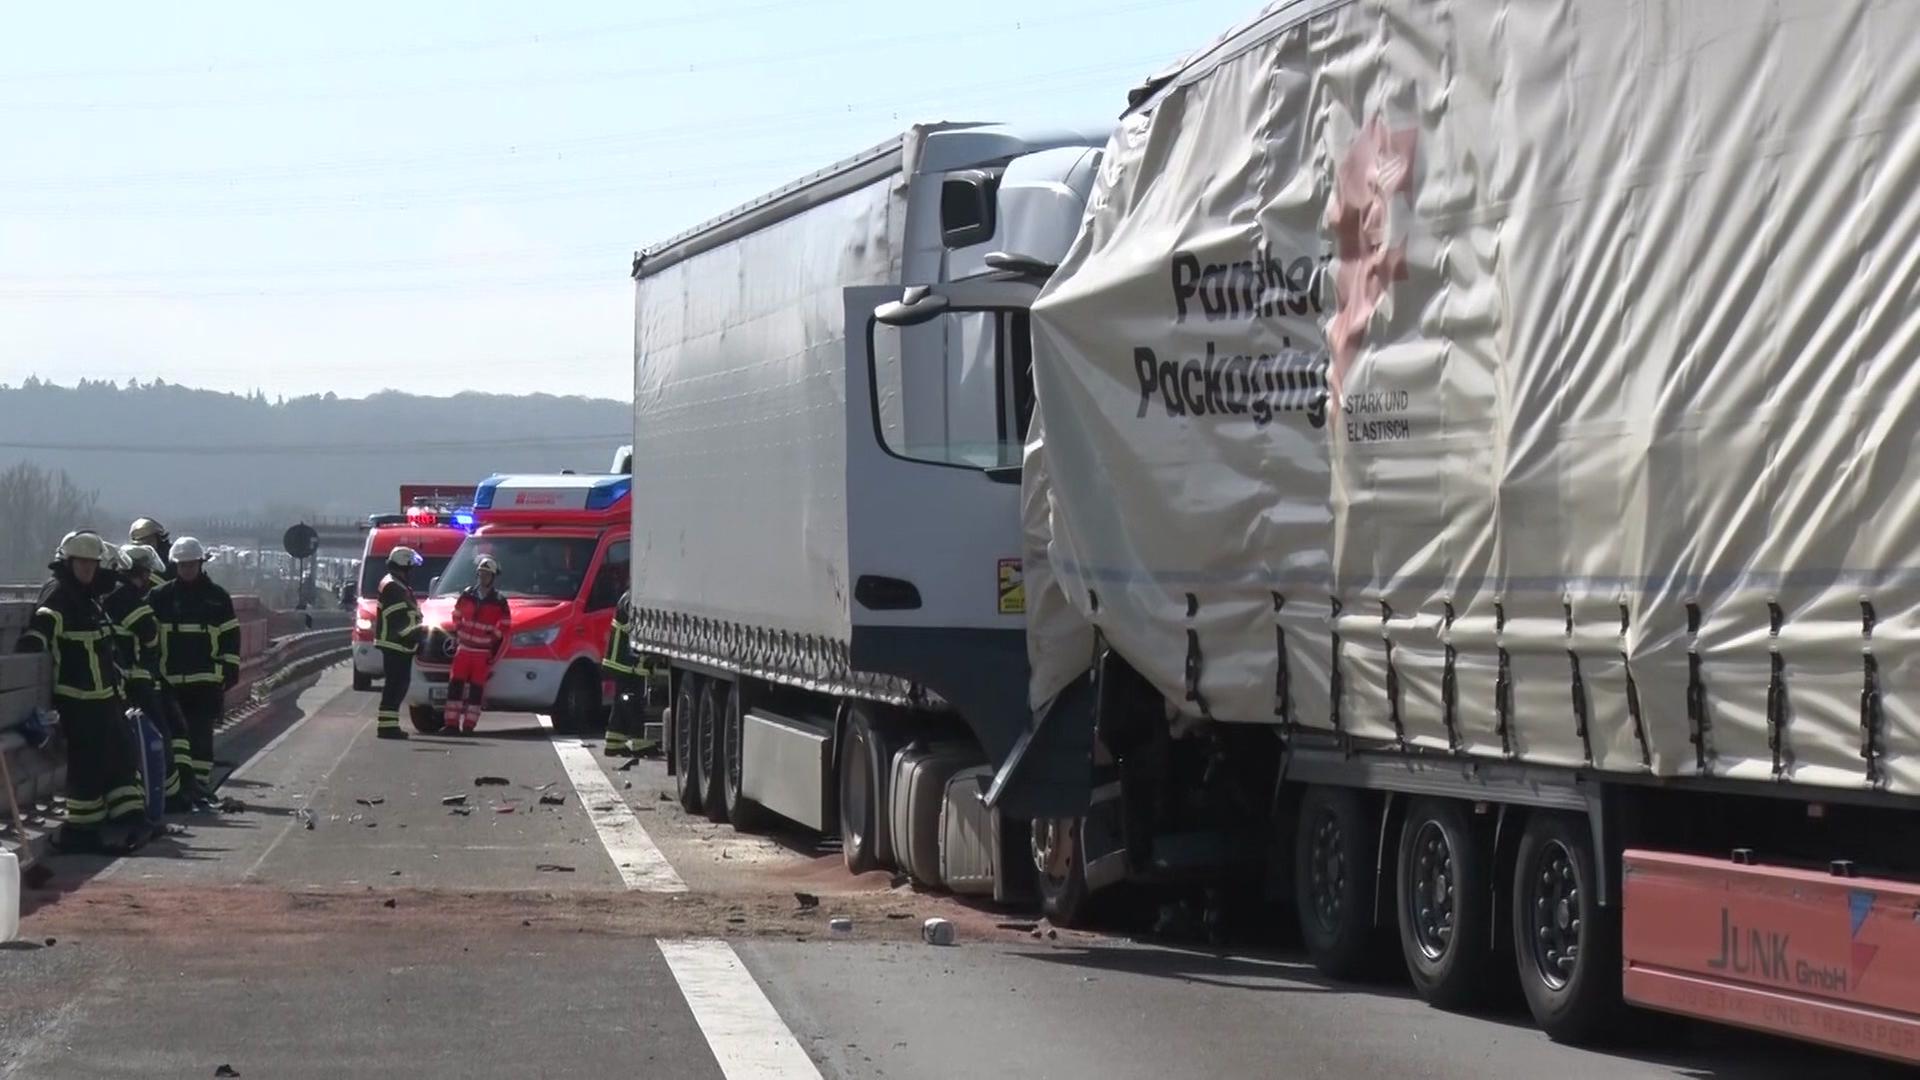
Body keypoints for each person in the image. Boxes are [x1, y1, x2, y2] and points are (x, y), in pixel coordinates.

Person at [16, 531, 149, 851]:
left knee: (120, 757)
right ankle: (83, 831)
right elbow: (38, 636)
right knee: (87, 765)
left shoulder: (89, 598)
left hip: (105, 697)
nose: (89, 569)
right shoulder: (60, 596)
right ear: (68, 562)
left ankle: (129, 818)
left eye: (92, 563)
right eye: (82, 563)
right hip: (77, 699)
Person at [150, 537, 240, 807]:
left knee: (201, 739)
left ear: (201, 563)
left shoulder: (218, 598)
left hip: (206, 682)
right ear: (175, 565)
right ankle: (180, 788)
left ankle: (199, 786)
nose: (187, 569)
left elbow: (230, 637)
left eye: (191, 565)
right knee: (177, 739)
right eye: (182, 565)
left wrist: (230, 667)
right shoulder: (160, 597)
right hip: (170, 682)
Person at [117, 543, 188, 811]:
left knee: (150, 737)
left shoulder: (114, 595)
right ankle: (166, 797)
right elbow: (148, 633)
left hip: (126, 682)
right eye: (145, 573)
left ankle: (161, 794)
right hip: (137, 681)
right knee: (159, 736)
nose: (148, 579)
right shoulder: (127, 598)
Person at [443, 554, 510, 734]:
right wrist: (459, 630)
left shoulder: (499, 601)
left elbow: (504, 628)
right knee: (455, 687)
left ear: (493, 577)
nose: (483, 577)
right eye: (481, 574)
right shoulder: (467, 594)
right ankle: (451, 723)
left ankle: (469, 726)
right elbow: (456, 614)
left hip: (481, 654)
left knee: (476, 691)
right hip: (463, 650)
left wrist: (492, 644)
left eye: (487, 574)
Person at [374, 547, 425, 740]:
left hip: (398, 643)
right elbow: (400, 617)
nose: (413, 571)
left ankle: (389, 725)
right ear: (405, 565)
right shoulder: (393, 587)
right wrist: (417, 634)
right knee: (396, 685)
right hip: (396, 643)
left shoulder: (396, 584)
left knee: (397, 685)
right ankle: (387, 727)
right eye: (411, 567)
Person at [601, 587, 642, 757]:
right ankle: (639, 741)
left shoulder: (627, 597)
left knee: (621, 701)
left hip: (619, 661)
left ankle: (613, 742)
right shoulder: (629, 600)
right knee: (631, 700)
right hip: (623, 662)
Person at [128, 518, 174, 583]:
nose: (148, 545)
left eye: (150, 540)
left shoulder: (172, 558)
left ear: (158, 539)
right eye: (143, 542)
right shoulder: (131, 562)